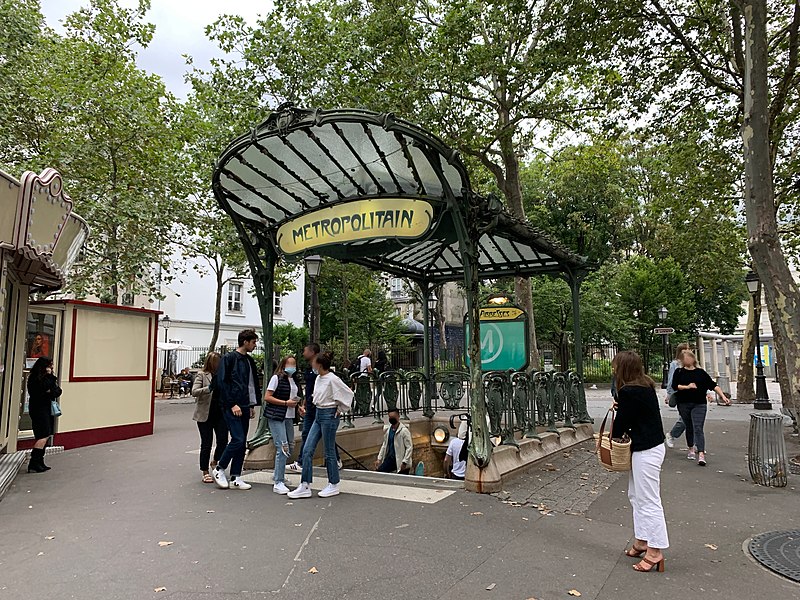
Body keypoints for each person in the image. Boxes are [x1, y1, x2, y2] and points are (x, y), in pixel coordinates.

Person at [612, 351, 669, 573]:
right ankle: (643, 540)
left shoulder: (629, 391)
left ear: (624, 368)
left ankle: (655, 550)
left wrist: (619, 412)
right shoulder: (644, 386)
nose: (613, 369)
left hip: (645, 449)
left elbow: (621, 426)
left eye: (616, 365)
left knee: (648, 499)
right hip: (651, 446)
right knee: (636, 495)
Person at [288, 351, 354, 499]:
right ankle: (305, 484)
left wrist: (340, 409)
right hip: (320, 413)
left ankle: (333, 483)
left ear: (319, 364)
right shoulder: (319, 378)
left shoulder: (332, 379)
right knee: (307, 449)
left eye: (313, 362)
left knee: (329, 451)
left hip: (328, 414)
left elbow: (348, 393)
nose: (311, 364)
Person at [211, 329, 260, 491]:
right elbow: (222, 382)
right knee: (238, 439)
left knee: (240, 441)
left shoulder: (247, 360)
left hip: (244, 404)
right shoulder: (230, 358)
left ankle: (236, 476)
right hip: (233, 405)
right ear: (245, 341)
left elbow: (251, 384)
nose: (255, 345)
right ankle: (219, 468)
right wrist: (232, 403)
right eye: (253, 342)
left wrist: (251, 405)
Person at [288, 343, 341, 472]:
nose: (303, 353)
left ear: (313, 353)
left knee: (325, 436)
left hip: (323, 409)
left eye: (305, 350)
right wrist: (305, 403)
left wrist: (339, 408)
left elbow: (342, 392)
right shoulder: (311, 372)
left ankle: (334, 464)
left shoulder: (328, 376)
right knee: (308, 434)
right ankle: (302, 463)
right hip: (313, 406)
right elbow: (312, 390)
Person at [672, 350, 729, 466]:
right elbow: (675, 386)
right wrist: (687, 387)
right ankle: (691, 448)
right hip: (684, 403)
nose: (687, 360)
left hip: (699, 403)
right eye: (684, 358)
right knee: (689, 426)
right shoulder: (679, 372)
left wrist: (722, 396)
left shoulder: (700, 373)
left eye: (689, 357)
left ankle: (701, 453)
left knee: (698, 427)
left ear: (693, 359)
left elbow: (713, 385)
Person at [264, 356, 302, 494]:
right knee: (283, 446)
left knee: (290, 445)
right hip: (277, 415)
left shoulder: (294, 380)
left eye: (294, 364)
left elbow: (295, 397)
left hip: (289, 416)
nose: (292, 366)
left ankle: (278, 474)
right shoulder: (276, 378)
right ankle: (278, 481)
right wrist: (285, 403)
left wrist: (298, 407)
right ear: (284, 365)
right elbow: (267, 397)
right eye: (290, 364)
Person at [191, 352, 228, 483]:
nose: (218, 365)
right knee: (206, 443)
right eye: (216, 362)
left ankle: (215, 461)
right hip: (205, 415)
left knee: (223, 441)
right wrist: (209, 388)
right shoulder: (202, 375)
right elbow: (194, 392)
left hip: (220, 414)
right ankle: (205, 470)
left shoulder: (223, 376)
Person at [26, 357, 61, 473]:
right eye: (50, 365)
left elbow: (57, 391)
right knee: (43, 434)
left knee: (45, 434)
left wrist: (50, 390)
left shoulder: (44, 378)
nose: (51, 367)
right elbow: (43, 389)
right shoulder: (35, 378)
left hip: (45, 408)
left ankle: (40, 461)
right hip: (38, 408)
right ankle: (34, 462)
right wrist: (49, 381)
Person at [664, 343, 691, 449]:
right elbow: (671, 379)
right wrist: (669, 394)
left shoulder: (692, 362)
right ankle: (672, 434)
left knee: (695, 420)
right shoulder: (675, 364)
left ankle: (697, 446)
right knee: (685, 419)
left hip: (693, 394)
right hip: (681, 394)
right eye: (686, 350)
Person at [374, 408, 413, 474]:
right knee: (380, 472)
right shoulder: (388, 430)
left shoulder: (404, 431)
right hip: (391, 459)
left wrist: (405, 461)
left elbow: (409, 447)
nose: (392, 419)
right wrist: (379, 459)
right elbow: (384, 445)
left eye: (393, 417)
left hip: (401, 460)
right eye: (390, 417)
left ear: (398, 416)